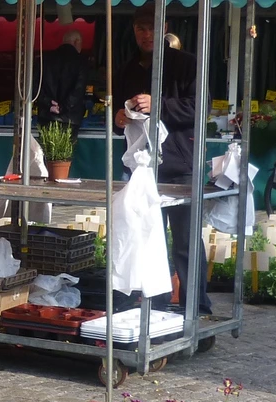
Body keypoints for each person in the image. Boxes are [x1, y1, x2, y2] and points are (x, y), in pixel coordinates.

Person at [111, 4, 211, 316]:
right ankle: (155, 304)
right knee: (145, 237)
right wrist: (118, 119)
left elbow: (200, 109)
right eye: (141, 28)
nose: (146, 34)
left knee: (185, 241)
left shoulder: (187, 64)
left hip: (179, 166)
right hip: (142, 169)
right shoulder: (127, 69)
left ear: (164, 27)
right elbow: (119, 115)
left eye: (152, 27)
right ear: (134, 31)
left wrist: (159, 105)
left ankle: (197, 307)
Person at [37, 30, 87, 131]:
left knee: (44, 146)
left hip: (47, 116)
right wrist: (63, 107)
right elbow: (79, 89)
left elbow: (36, 88)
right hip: (70, 118)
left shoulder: (44, 59)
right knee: (67, 146)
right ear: (77, 42)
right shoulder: (81, 61)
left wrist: (49, 104)